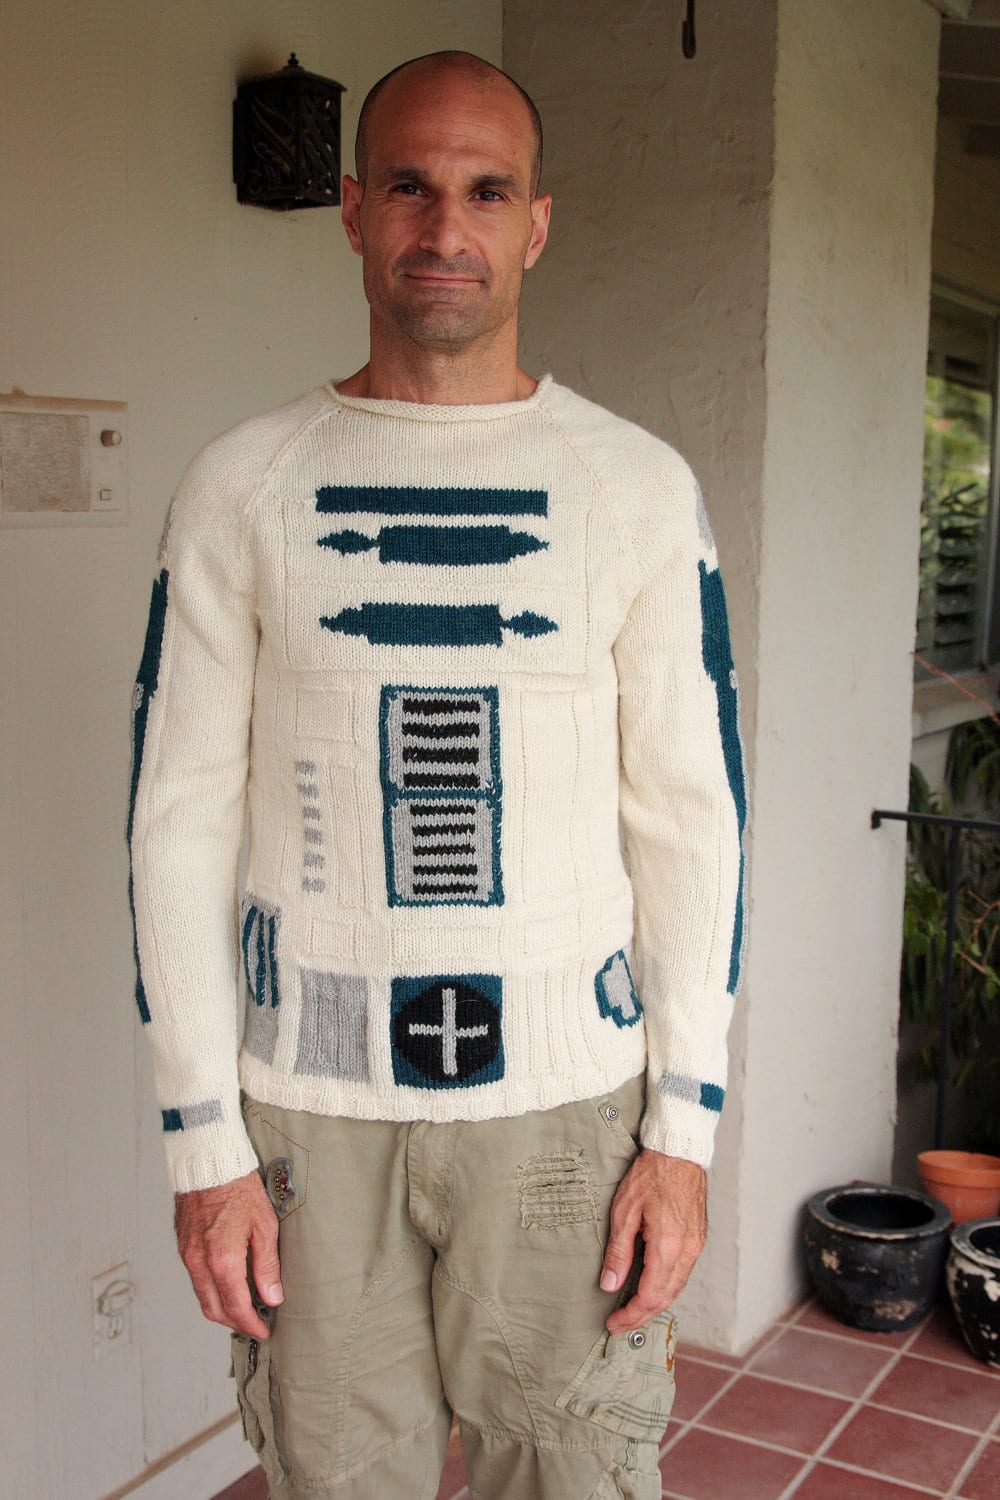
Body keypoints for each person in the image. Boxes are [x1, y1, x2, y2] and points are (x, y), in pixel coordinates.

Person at [126, 49, 747, 1500]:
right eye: (409, 186)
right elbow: (176, 823)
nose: (445, 228)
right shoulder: (243, 485)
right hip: (309, 1112)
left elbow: (692, 820)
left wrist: (684, 1133)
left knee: (574, 1473)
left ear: (538, 223)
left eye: (486, 191)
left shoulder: (636, 489)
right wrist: (202, 1141)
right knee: (339, 1476)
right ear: (353, 210)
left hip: (568, 1115)